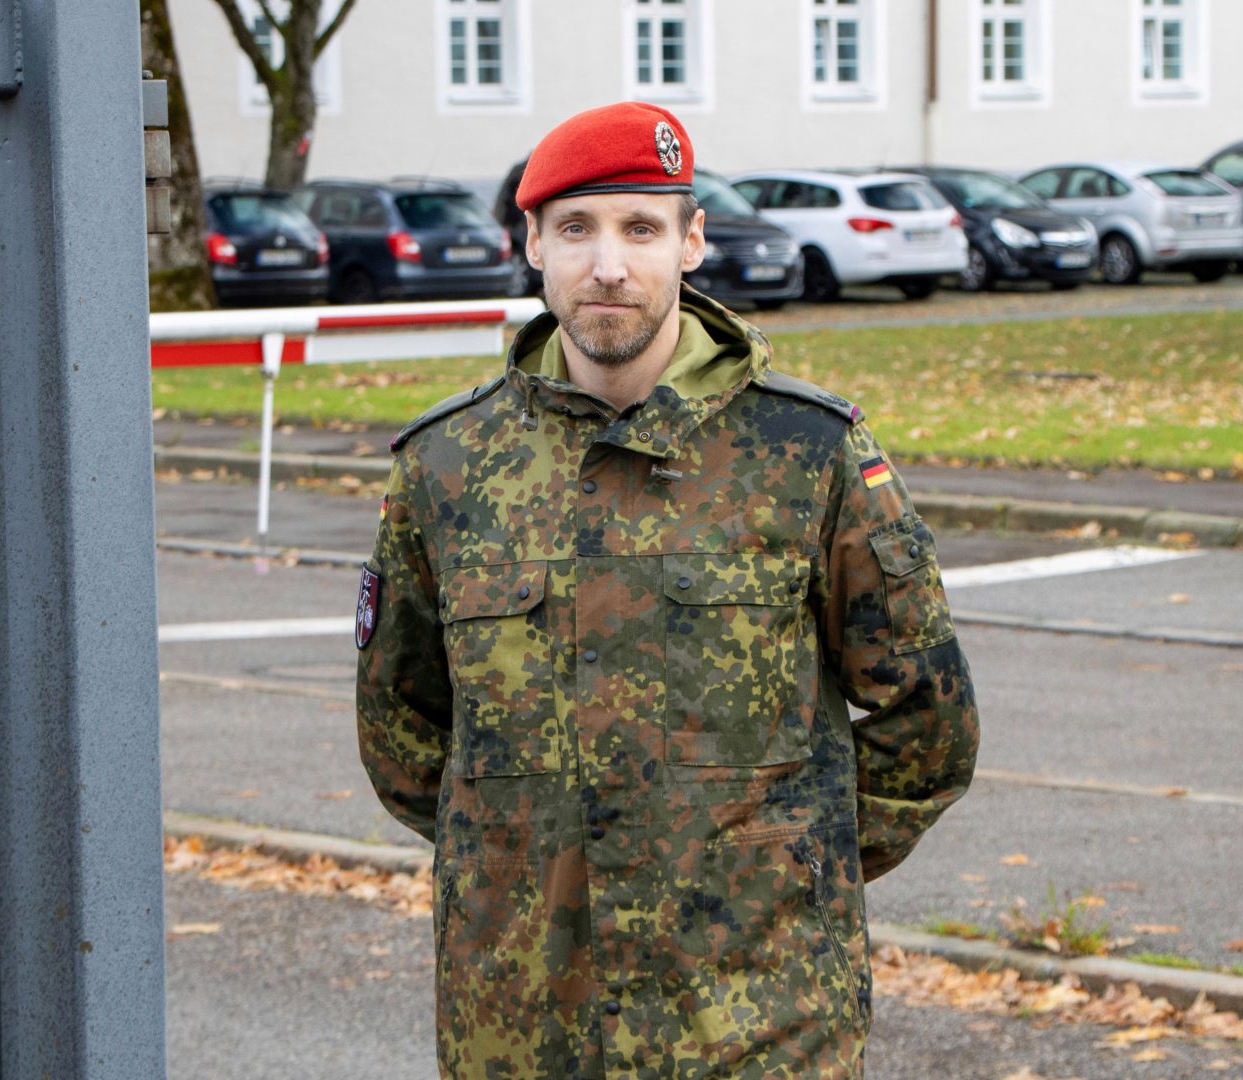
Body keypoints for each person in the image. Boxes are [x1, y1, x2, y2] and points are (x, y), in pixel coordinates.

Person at [354, 101, 980, 1079]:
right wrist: (534, 854)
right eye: (576, 229)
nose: (608, 265)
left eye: (640, 228)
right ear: (533, 244)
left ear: (691, 243)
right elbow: (402, 728)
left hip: (758, 1019)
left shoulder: (804, 450)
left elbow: (928, 721)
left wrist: (786, 864)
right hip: (523, 1017)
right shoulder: (447, 464)